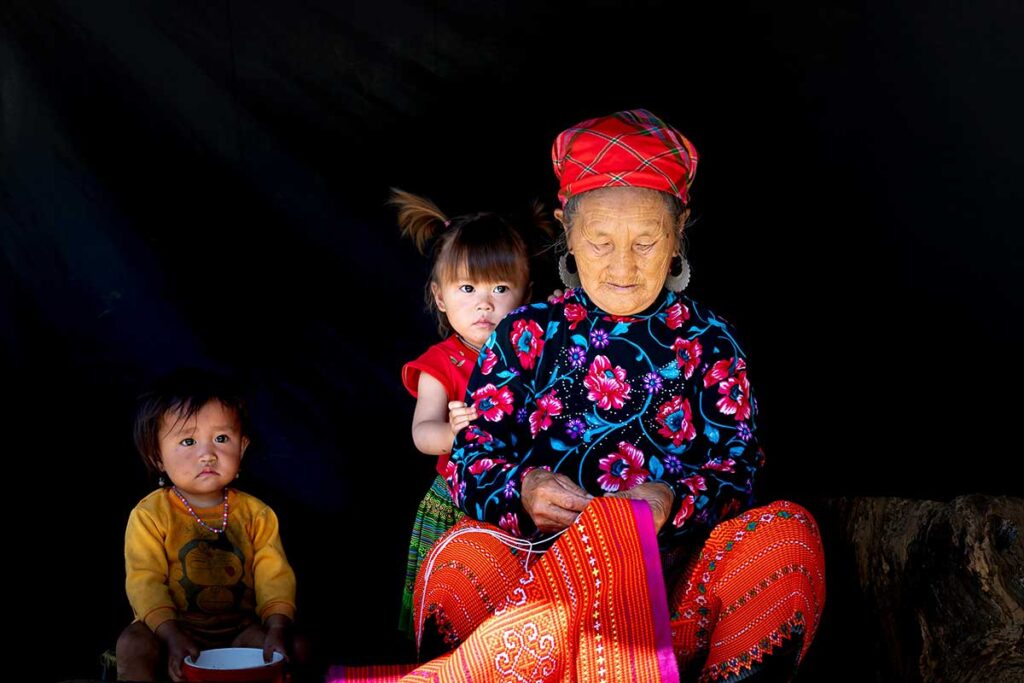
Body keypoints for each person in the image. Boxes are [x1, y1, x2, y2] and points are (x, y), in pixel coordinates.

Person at [330, 109, 826, 683]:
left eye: (645, 242)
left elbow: (738, 465)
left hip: (676, 600)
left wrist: (671, 499)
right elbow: (471, 459)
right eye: (600, 242)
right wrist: (526, 490)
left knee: (786, 539)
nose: (622, 266)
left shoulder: (709, 341)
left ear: (680, 230)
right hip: (538, 604)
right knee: (463, 555)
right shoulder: (525, 333)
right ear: (566, 227)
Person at [392, 189, 551, 637]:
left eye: (500, 288)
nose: (484, 303)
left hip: (523, 502)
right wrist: (452, 433)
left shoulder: (535, 355)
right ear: (439, 297)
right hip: (458, 505)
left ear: (526, 295)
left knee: (513, 618)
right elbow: (421, 433)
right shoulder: (441, 363)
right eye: (468, 289)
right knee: (454, 611)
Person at [115, 368, 305, 683]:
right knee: (132, 645)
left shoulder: (256, 514)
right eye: (188, 441)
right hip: (171, 630)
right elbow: (143, 583)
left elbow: (275, 578)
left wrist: (277, 626)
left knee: (297, 647)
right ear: (157, 456)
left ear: (242, 447)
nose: (207, 455)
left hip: (239, 632)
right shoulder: (150, 514)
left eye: (221, 438)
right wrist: (171, 634)